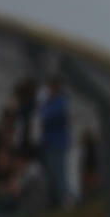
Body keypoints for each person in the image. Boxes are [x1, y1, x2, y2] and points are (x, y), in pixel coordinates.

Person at [39, 76, 72, 206]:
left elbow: (46, 117)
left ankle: (64, 200)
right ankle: (56, 201)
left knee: (59, 173)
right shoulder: (49, 102)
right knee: (52, 174)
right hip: (49, 144)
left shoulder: (60, 102)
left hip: (57, 144)